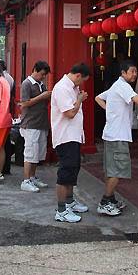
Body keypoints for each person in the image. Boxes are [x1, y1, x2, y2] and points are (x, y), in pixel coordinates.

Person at [95, 59, 138, 216]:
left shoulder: (116, 86)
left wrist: (110, 111)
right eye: (131, 71)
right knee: (117, 170)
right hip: (117, 135)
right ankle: (105, 202)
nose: (134, 74)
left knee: (112, 170)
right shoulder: (123, 86)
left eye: (135, 71)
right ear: (123, 73)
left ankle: (110, 199)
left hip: (112, 134)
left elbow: (98, 98)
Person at [51, 63, 91, 223]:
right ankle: (61, 210)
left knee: (73, 169)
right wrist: (80, 100)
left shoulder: (72, 87)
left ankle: (69, 202)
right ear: (78, 75)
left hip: (73, 136)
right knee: (65, 172)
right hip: (65, 136)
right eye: (83, 80)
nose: (82, 84)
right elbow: (69, 113)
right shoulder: (62, 88)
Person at [18, 61, 52, 193]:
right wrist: (42, 96)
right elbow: (24, 103)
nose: (43, 77)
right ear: (35, 70)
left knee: (37, 153)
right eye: (42, 74)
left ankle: (32, 177)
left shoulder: (41, 84)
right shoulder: (27, 84)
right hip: (30, 123)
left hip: (41, 123)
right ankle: (26, 180)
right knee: (30, 153)